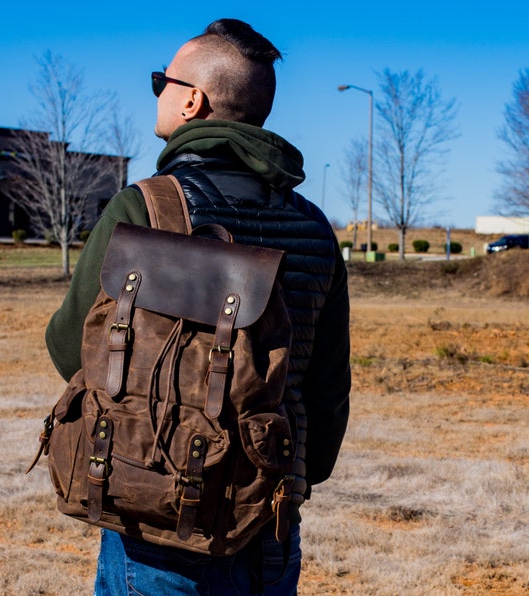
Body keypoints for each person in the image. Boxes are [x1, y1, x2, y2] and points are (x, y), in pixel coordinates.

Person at [46, 18, 350, 595]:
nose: (157, 90)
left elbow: (71, 348)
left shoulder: (143, 208)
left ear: (192, 100)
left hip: (157, 514)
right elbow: (328, 384)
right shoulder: (314, 227)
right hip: (272, 522)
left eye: (162, 80)